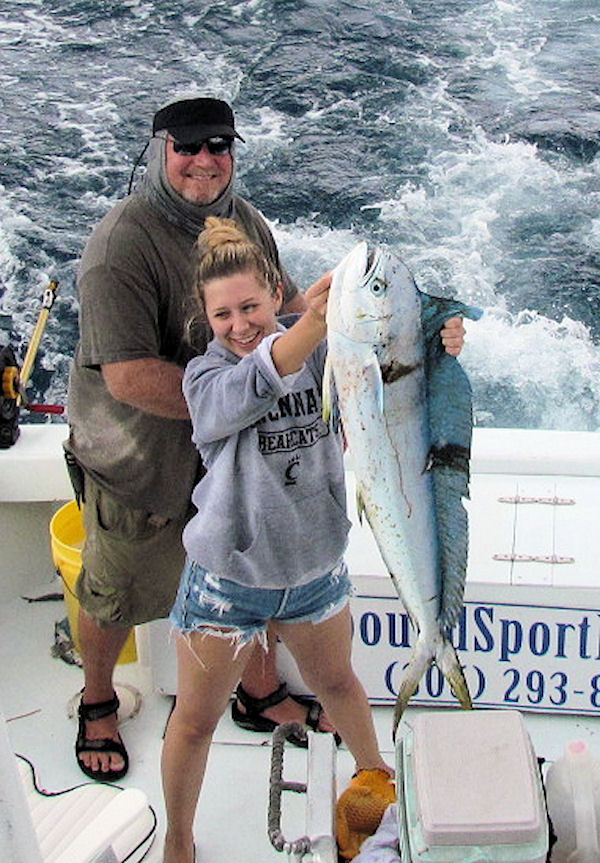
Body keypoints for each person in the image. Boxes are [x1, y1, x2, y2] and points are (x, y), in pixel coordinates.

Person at [65, 95, 337, 783]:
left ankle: (255, 686)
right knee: (116, 587)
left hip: (229, 460)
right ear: (161, 149)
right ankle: (97, 698)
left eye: (219, 145)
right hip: (139, 460)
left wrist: (358, 309)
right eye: (187, 146)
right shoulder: (119, 246)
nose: (203, 160)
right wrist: (233, 401)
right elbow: (126, 377)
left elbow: (290, 311)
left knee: (250, 572)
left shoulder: (244, 222)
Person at [161, 216, 395, 863]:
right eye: (223, 313)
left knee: (341, 685)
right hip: (226, 580)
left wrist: (437, 339)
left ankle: (377, 786)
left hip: (312, 568)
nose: (239, 324)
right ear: (206, 317)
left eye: (251, 307)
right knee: (195, 719)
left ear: (275, 295)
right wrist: (319, 321)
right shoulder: (205, 381)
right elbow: (259, 380)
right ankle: (177, 839)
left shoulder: (317, 343)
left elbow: (384, 366)